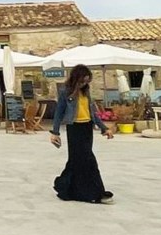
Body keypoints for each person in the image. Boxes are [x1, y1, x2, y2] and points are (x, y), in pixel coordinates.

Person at [46, 64, 112, 204]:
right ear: (76, 78)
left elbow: (92, 113)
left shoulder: (86, 92)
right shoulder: (65, 92)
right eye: (83, 81)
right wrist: (55, 132)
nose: (84, 84)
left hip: (87, 128)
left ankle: (66, 187)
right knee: (88, 160)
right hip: (74, 128)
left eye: (87, 81)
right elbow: (59, 112)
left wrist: (104, 128)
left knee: (77, 161)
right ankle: (95, 193)